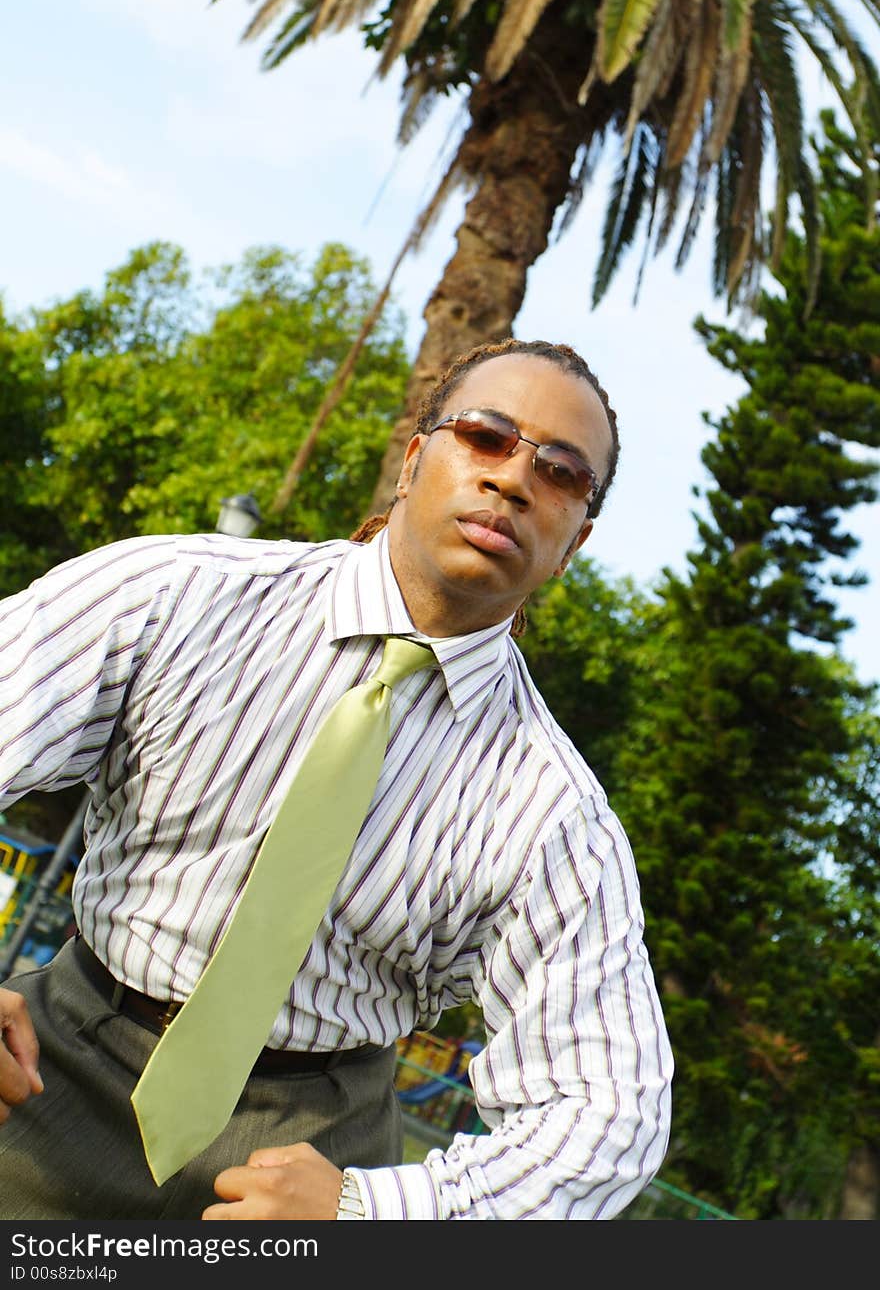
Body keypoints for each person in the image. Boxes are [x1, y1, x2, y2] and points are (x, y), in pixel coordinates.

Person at [0, 338, 673, 1220]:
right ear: (413, 460)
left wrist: (375, 1214)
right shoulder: (175, 596)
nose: (513, 480)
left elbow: (610, 1113)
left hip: (317, 1159)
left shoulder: (555, 818)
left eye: (560, 472)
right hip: (49, 1077)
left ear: (572, 545)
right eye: (485, 435)